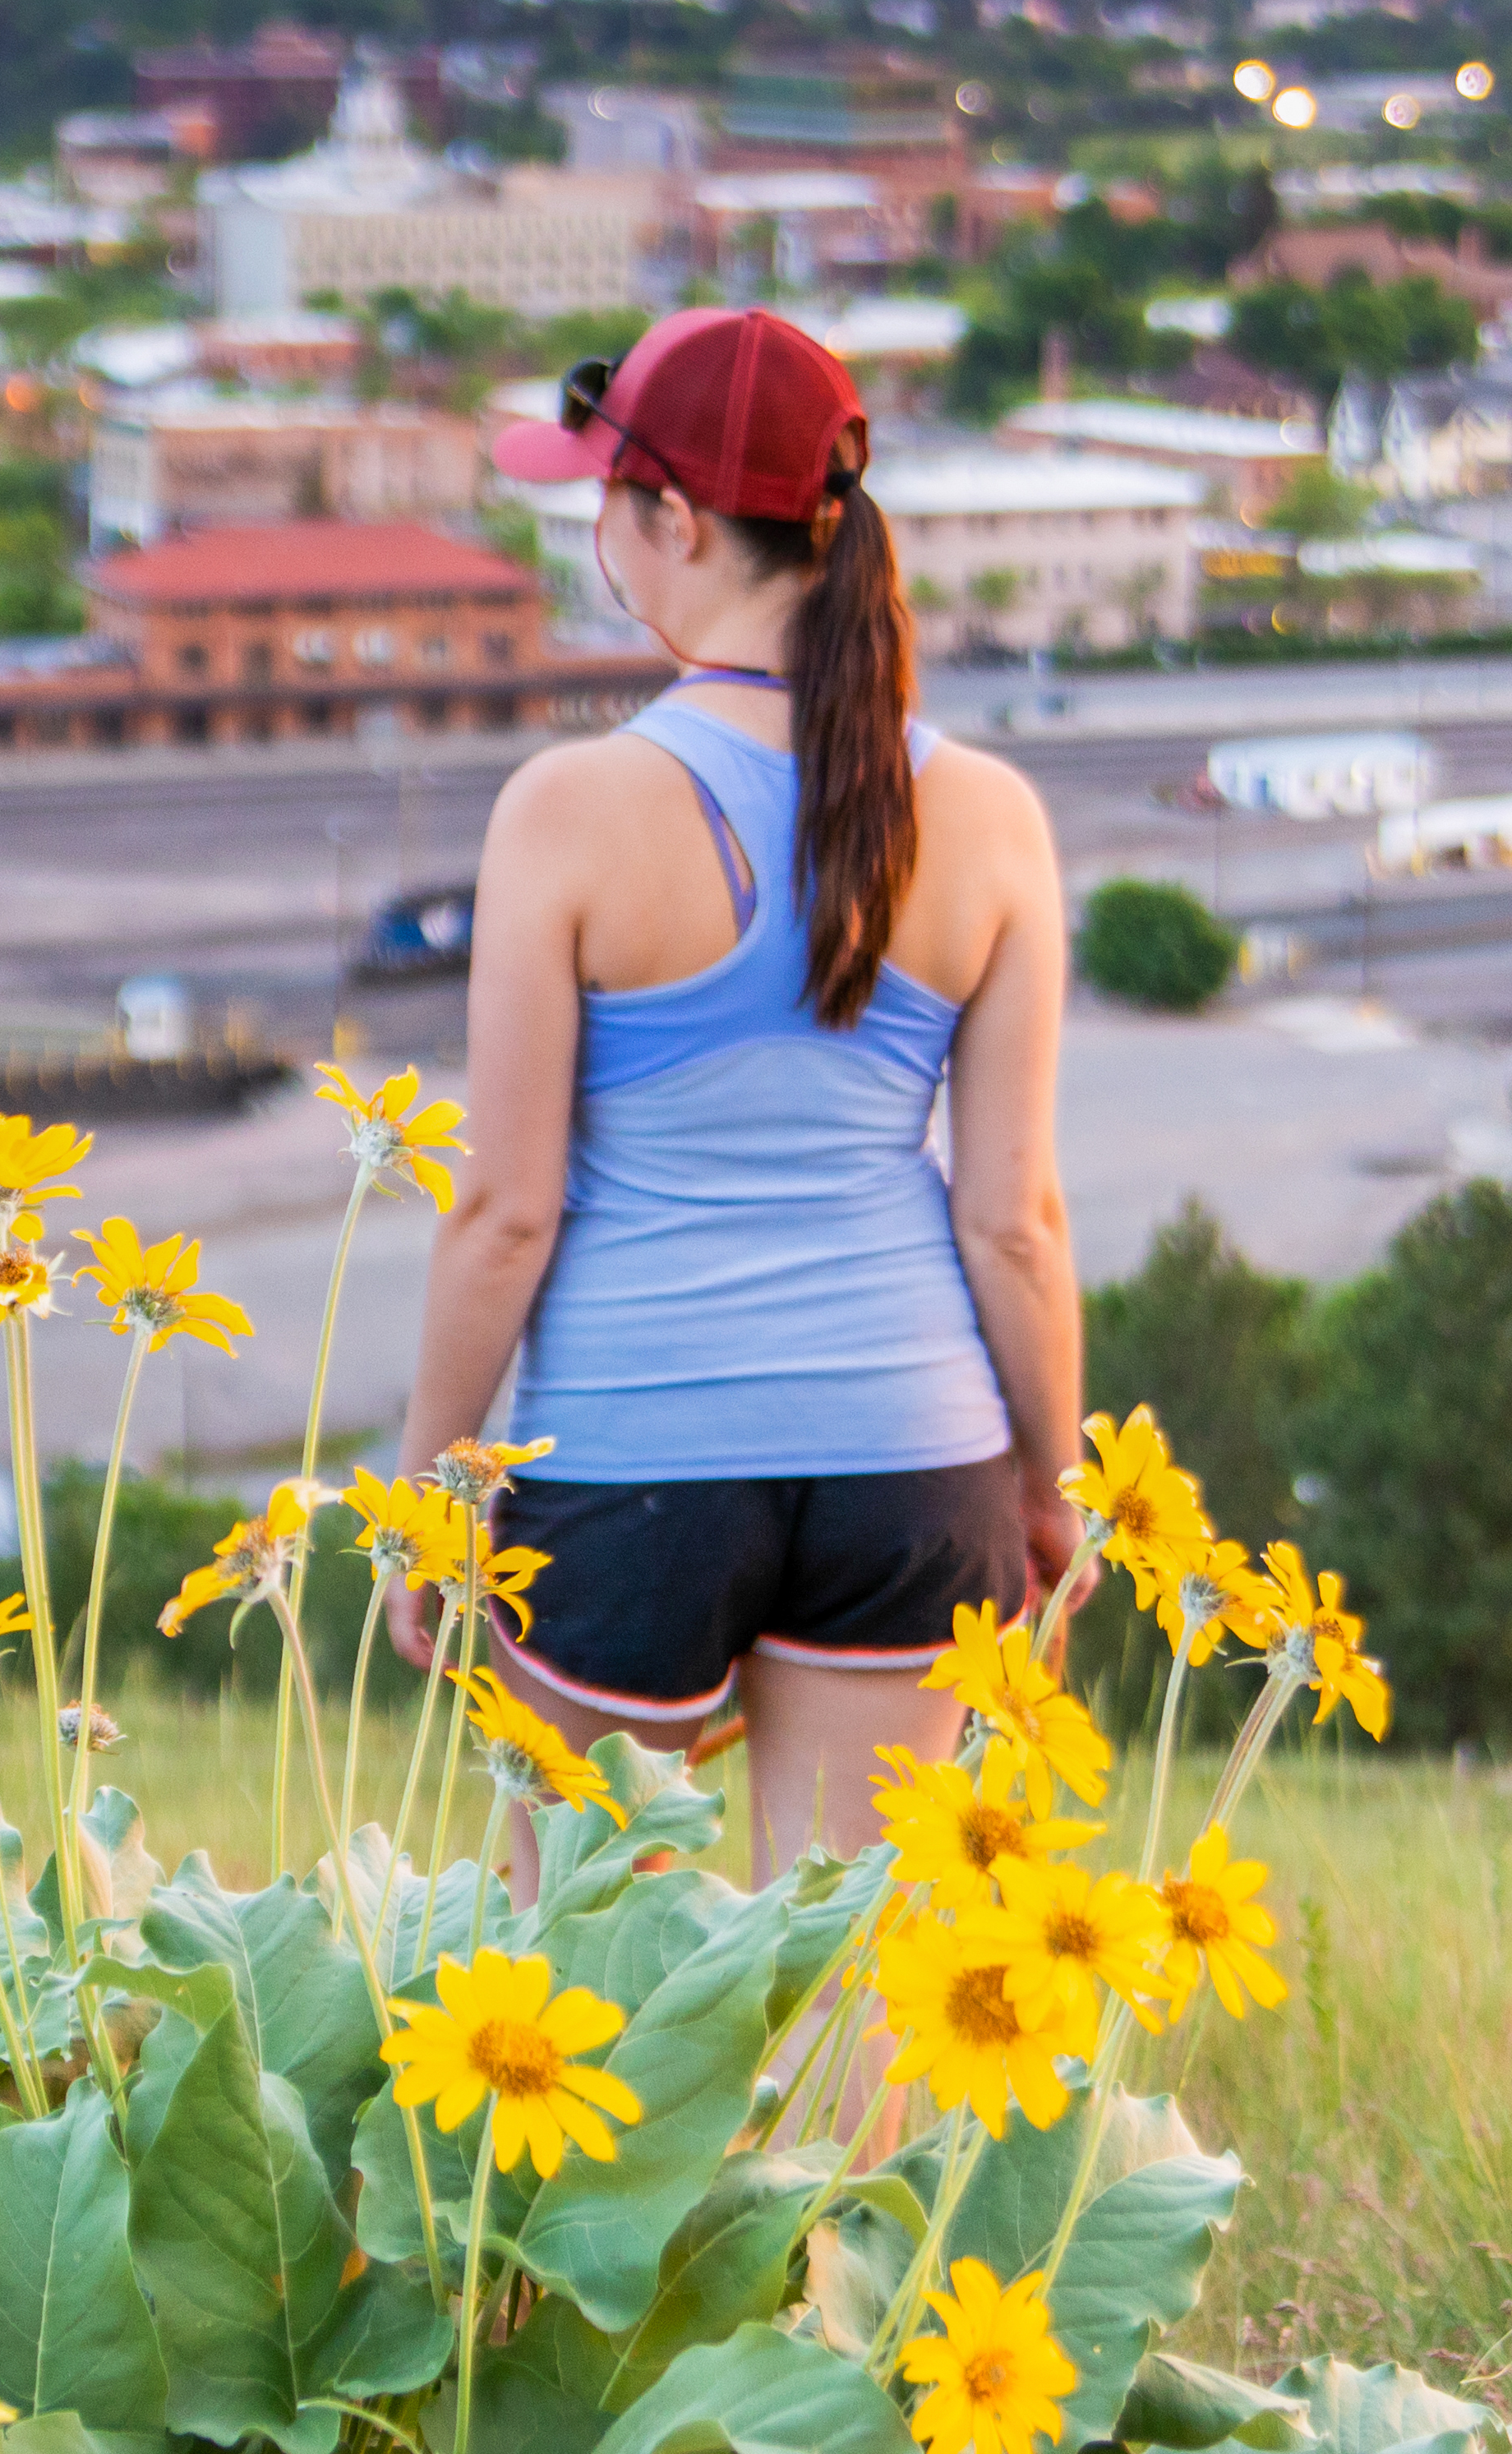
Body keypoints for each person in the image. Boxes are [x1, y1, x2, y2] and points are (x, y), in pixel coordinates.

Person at [385, 307, 1086, 1873]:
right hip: (914, 1456)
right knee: (850, 2008)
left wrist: (429, 1492)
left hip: (637, 1458)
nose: (597, 538)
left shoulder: (566, 807)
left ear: (673, 519)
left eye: (601, 500)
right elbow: (1015, 1221)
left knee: (575, 1985)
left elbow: (503, 1211)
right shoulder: (986, 811)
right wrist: (1052, 1485)